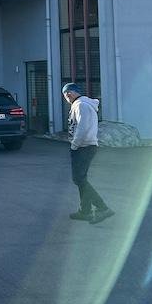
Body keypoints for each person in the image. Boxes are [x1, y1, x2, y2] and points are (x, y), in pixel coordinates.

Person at [62, 83, 114, 224]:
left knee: (78, 179)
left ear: (70, 93)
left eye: (66, 94)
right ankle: (85, 211)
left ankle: (103, 208)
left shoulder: (81, 105)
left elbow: (82, 127)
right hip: (85, 146)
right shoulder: (81, 104)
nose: (66, 97)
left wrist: (75, 145)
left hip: (83, 147)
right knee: (81, 179)